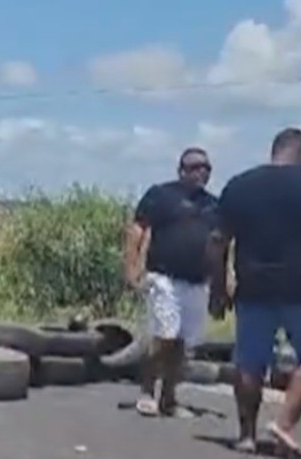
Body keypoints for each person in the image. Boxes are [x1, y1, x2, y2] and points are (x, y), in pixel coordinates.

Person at [209, 128, 301, 457]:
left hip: (253, 287)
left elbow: (217, 241)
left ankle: (246, 435)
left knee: (250, 362)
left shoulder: (239, 185)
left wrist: (218, 287)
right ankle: (283, 424)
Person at [123, 146, 218, 418]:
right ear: (181, 170)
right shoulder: (161, 195)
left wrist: (224, 281)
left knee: (183, 344)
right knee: (165, 335)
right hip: (164, 277)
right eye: (195, 166)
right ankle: (146, 390)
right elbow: (137, 229)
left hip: (197, 282)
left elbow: (221, 244)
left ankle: (169, 398)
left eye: (206, 168)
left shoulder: (213, 204)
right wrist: (132, 268)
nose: (201, 172)